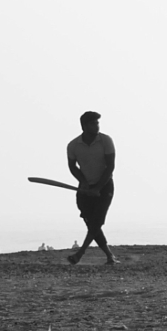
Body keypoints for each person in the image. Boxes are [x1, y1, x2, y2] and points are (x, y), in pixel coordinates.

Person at [66, 110, 117, 266]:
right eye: (93, 123)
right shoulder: (73, 145)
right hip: (85, 189)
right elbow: (72, 167)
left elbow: (110, 167)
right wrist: (84, 182)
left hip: (105, 185)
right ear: (84, 126)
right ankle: (109, 256)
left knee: (97, 221)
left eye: (97, 123)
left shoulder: (106, 141)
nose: (97, 126)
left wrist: (98, 187)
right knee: (90, 223)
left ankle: (80, 253)